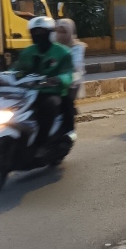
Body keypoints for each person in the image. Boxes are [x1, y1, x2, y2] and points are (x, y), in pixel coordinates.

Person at [11, 16, 73, 152]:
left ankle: (41, 142)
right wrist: (3, 76)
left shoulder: (63, 53)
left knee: (48, 106)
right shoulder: (27, 52)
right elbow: (16, 69)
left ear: (50, 33)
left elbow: (68, 74)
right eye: (34, 32)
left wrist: (58, 79)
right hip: (29, 92)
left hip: (53, 92)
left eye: (42, 32)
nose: (38, 35)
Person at [54, 18, 86, 138]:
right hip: (54, 79)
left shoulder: (77, 47)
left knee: (66, 101)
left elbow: (76, 65)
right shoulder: (53, 45)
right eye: (59, 31)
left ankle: (69, 131)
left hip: (72, 80)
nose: (61, 35)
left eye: (64, 32)